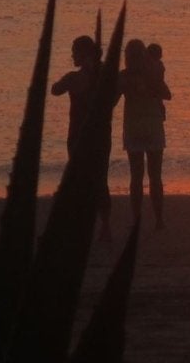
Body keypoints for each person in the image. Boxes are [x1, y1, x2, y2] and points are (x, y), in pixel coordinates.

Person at [51, 34, 114, 239]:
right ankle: (103, 225)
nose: (72, 55)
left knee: (80, 179)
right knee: (98, 178)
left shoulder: (76, 78)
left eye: (74, 51)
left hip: (81, 136)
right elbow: (56, 90)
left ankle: (93, 224)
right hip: (98, 136)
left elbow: (55, 89)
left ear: (84, 53)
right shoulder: (102, 76)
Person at [120, 38, 171, 229]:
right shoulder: (153, 74)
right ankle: (158, 220)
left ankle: (136, 221)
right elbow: (167, 94)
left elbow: (112, 98)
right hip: (152, 126)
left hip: (133, 127)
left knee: (136, 176)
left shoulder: (124, 76)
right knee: (155, 176)